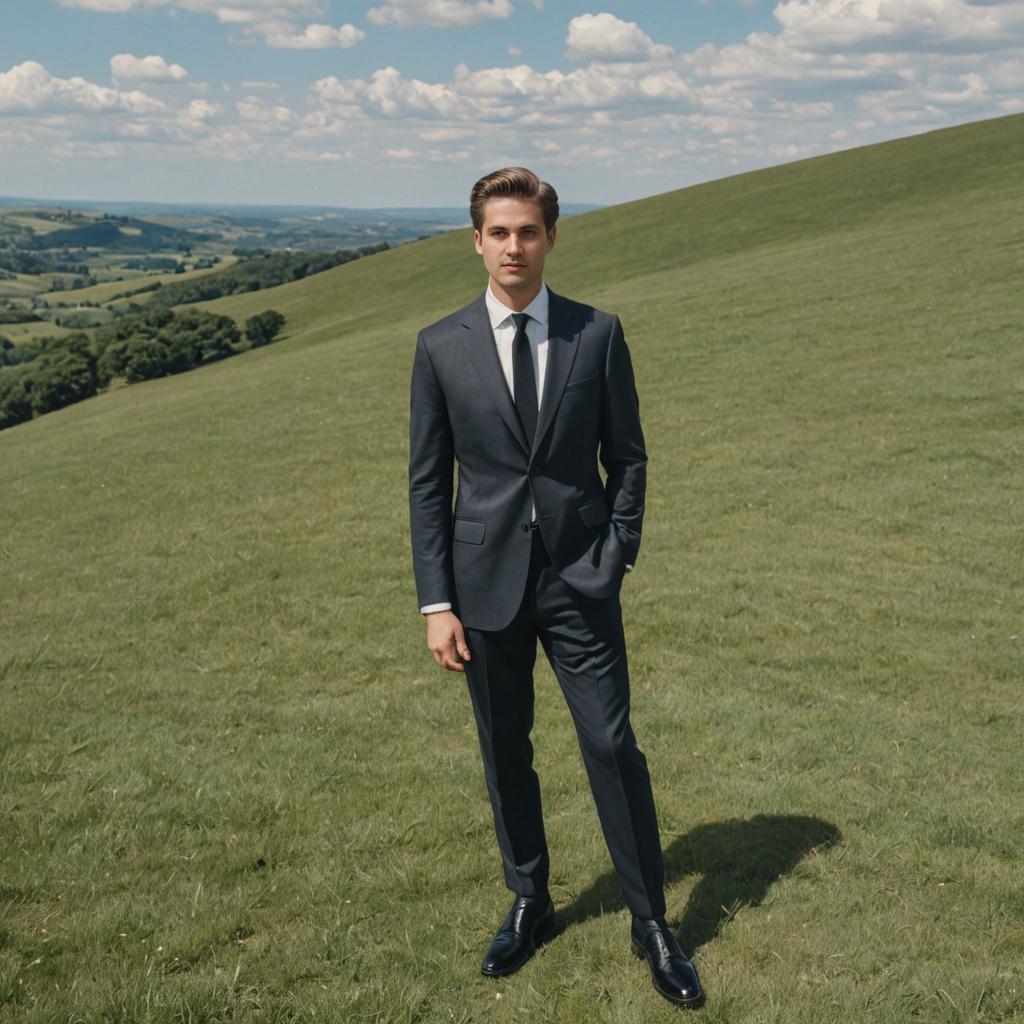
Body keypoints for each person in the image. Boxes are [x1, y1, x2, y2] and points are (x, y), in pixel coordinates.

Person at [408, 167, 704, 1010]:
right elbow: (428, 484)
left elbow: (631, 458)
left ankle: (652, 923)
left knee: (613, 747)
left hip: (581, 581)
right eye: (498, 232)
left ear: (550, 238)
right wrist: (437, 602)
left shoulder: (596, 334)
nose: (513, 246)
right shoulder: (440, 345)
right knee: (506, 753)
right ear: (476, 240)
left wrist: (618, 552)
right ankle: (531, 899)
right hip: (482, 588)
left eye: (527, 231)